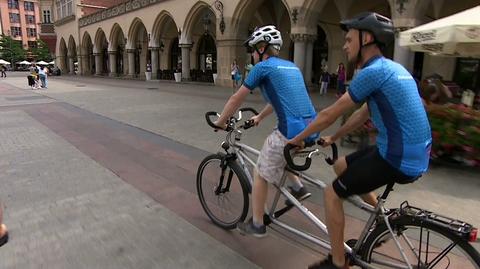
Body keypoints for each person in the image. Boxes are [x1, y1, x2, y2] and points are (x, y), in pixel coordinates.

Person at [288, 12, 432, 269]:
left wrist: (296, 141)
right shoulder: (394, 68)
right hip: (412, 153)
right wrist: (334, 136)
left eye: (348, 39)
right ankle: (382, 219)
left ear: (366, 38)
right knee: (341, 165)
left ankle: (338, 262)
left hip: (397, 158)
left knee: (332, 193)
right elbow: (363, 111)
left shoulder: (372, 71)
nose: (344, 46)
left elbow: (330, 113)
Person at [214, 25, 319, 237]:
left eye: (253, 49)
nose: (252, 54)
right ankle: (299, 188)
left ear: (262, 48)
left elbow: (236, 98)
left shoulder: (261, 68)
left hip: (290, 132)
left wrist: (221, 122)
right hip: (311, 130)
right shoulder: (291, 67)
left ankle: (257, 224)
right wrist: (260, 117)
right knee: (281, 155)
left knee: (260, 172)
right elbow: (280, 98)